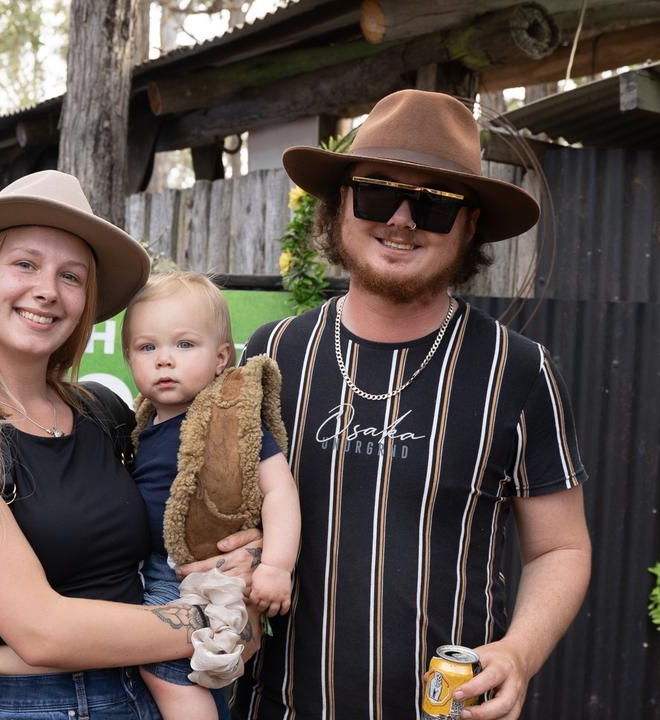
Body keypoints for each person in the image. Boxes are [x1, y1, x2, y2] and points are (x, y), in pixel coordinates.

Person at [184, 90, 593, 719]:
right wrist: (238, 551)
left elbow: (559, 549)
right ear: (340, 205)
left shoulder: (519, 370)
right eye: (377, 193)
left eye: (433, 205)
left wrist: (520, 652)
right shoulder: (274, 353)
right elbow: (231, 512)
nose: (401, 219)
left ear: (470, 225)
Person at [0, 170, 256, 720]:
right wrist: (216, 621)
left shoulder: (106, 415)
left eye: (70, 275)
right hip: (48, 706)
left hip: (164, 696)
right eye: (24, 264)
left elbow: (187, 519)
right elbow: (42, 632)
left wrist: (245, 557)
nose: (47, 290)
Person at [122, 272, 302, 720]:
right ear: (130, 359)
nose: (165, 360)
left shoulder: (230, 423)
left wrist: (277, 566)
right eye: (148, 348)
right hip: (148, 573)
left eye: (184, 345)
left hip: (197, 578)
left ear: (221, 357)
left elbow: (280, 490)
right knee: (185, 672)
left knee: (167, 673)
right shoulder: (137, 430)